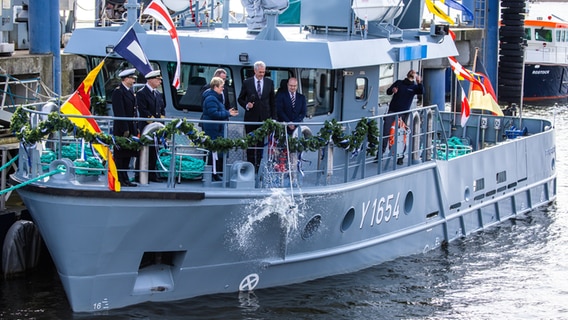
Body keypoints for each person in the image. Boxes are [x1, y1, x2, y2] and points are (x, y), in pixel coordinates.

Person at [237, 60, 276, 170]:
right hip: (251, 119)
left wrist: (274, 118)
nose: (262, 74)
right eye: (260, 72)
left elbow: (273, 102)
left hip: (264, 119)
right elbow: (240, 99)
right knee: (250, 145)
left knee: (261, 145)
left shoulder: (269, 83)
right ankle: (250, 167)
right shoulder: (247, 82)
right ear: (255, 71)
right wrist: (247, 105)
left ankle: (259, 167)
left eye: (263, 72)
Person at [382, 69, 423, 163]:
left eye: (414, 72)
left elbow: (422, 91)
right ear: (408, 73)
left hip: (403, 114)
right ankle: (380, 154)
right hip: (392, 111)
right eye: (412, 71)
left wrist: (419, 82)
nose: (413, 72)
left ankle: (400, 157)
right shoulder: (399, 83)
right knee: (386, 132)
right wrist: (392, 90)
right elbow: (388, 92)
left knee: (402, 135)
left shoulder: (414, 87)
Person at [202, 76, 239, 181]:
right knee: (213, 152)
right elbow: (213, 113)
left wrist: (227, 112)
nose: (223, 88)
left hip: (217, 129)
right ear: (215, 87)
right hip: (213, 129)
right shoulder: (211, 98)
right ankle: (212, 174)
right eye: (221, 87)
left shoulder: (215, 98)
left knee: (217, 152)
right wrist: (228, 113)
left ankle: (216, 173)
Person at [136, 70, 166, 183]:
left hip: (156, 127)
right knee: (143, 151)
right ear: (150, 80)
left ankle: (152, 175)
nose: (159, 82)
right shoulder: (141, 93)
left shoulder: (158, 94)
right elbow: (143, 109)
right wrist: (153, 121)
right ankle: (139, 175)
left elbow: (161, 109)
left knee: (154, 151)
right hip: (146, 127)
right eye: (158, 80)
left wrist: (161, 124)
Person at [112, 68, 139, 187]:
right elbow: (119, 112)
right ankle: (119, 178)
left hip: (130, 127)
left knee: (128, 154)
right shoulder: (118, 92)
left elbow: (133, 112)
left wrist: (135, 128)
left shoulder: (129, 92)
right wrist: (125, 129)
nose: (133, 80)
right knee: (120, 154)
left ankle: (125, 178)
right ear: (126, 79)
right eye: (132, 78)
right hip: (122, 129)